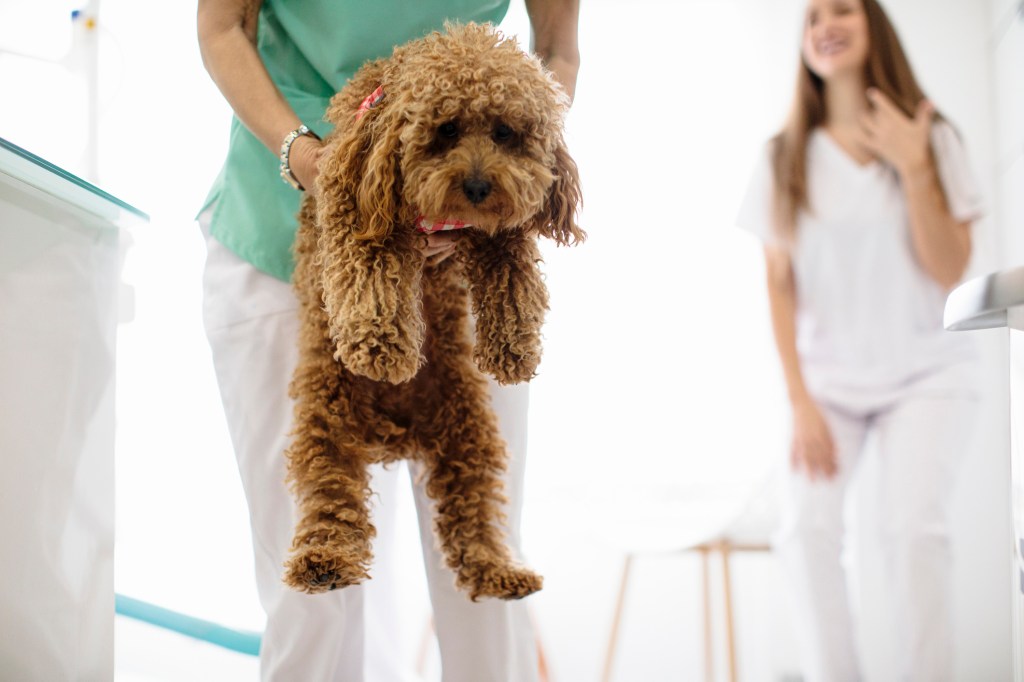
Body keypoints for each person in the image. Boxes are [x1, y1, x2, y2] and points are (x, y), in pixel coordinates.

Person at [195, 1, 579, 680]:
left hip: (466, 247)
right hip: (284, 226)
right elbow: (222, 26)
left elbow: (557, 49)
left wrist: (509, 178)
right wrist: (311, 160)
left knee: (482, 558)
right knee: (312, 570)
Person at [736, 0, 982, 679]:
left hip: (928, 374)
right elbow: (778, 286)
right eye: (813, 18)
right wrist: (800, 403)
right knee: (806, 531)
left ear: (875, 24)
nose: (826, 25)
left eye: (842, 9)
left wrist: (915, 168)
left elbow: (950, 270)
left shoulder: (933, 138)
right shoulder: (783, 157)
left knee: (913, 534)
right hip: (828, 385)